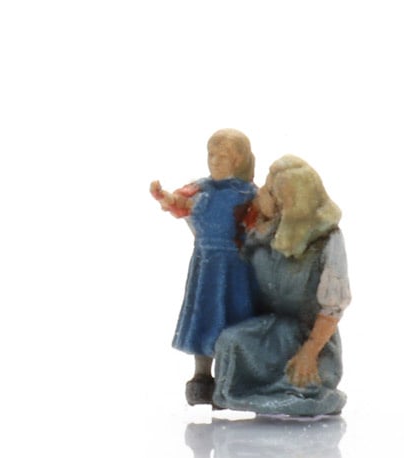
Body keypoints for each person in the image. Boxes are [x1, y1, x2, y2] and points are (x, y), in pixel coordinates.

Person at [212, 155, 350, 416]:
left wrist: (310, 350)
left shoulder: (326, 240)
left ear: (285, 203)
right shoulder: (263, 232)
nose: (260, 193)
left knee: (301, 381)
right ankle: (234, 392)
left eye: (268, 190)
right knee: (231, 341)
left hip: (308, 337)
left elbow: (333, 307)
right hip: (272, 327)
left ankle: (295, 396)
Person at [150, 129, 257, 405]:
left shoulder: (248, 193)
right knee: (205, 317)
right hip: (207, 266)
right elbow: (179, 204)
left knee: (235, 319)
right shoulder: (200, 189)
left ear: (239, 160)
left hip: (238, 268)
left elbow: (262, 223)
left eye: (224, 157)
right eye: (212, 155)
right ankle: (201, 378)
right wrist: (164, 197)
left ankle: (230, 379)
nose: (216, 162)